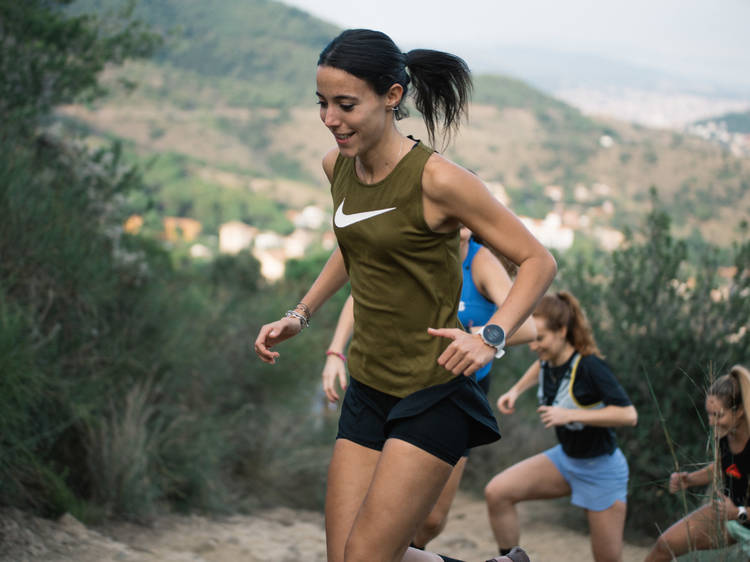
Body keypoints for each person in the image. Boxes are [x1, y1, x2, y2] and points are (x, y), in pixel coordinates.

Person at [254, 28, 556, 562]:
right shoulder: (337, 166)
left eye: (346, 105)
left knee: (368, 557)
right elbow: (357, 243)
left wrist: (491, 336)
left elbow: (538, 261)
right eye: (322, 104)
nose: (330, 119)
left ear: (392, 96)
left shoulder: (440, 181)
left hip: (433, 389)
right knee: (347, 558)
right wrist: (300, 314)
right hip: (369, 384)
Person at [321, 227, 537, 551]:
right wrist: (336, 351)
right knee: (375, 527)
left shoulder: (480, 263)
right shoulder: (416, 248)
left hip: (454, 392)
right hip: (398, 385)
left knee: (431, 520)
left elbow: (528, 328)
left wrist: (478, 335)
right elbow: (362, 294)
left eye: (464, 217)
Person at [485, 291, 638, 562]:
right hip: (565, 461)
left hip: (601, 470)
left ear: (562, 331)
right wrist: (515, 390)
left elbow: (628, 415)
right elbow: (540, 366)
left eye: (540, 338)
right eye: (532, 338)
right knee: (497, 492)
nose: (534, 345)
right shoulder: (550, 359)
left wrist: (571, 415)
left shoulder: (590, 366)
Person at [645, 364, 750, 561]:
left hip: (739, 516)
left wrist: (738, 512)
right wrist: (689, 480)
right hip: (728, 518)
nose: (711, 422)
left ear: (740, 412)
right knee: (664, 545)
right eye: (709, 414)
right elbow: (724, 466)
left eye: (718, 415)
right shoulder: (725, 435)